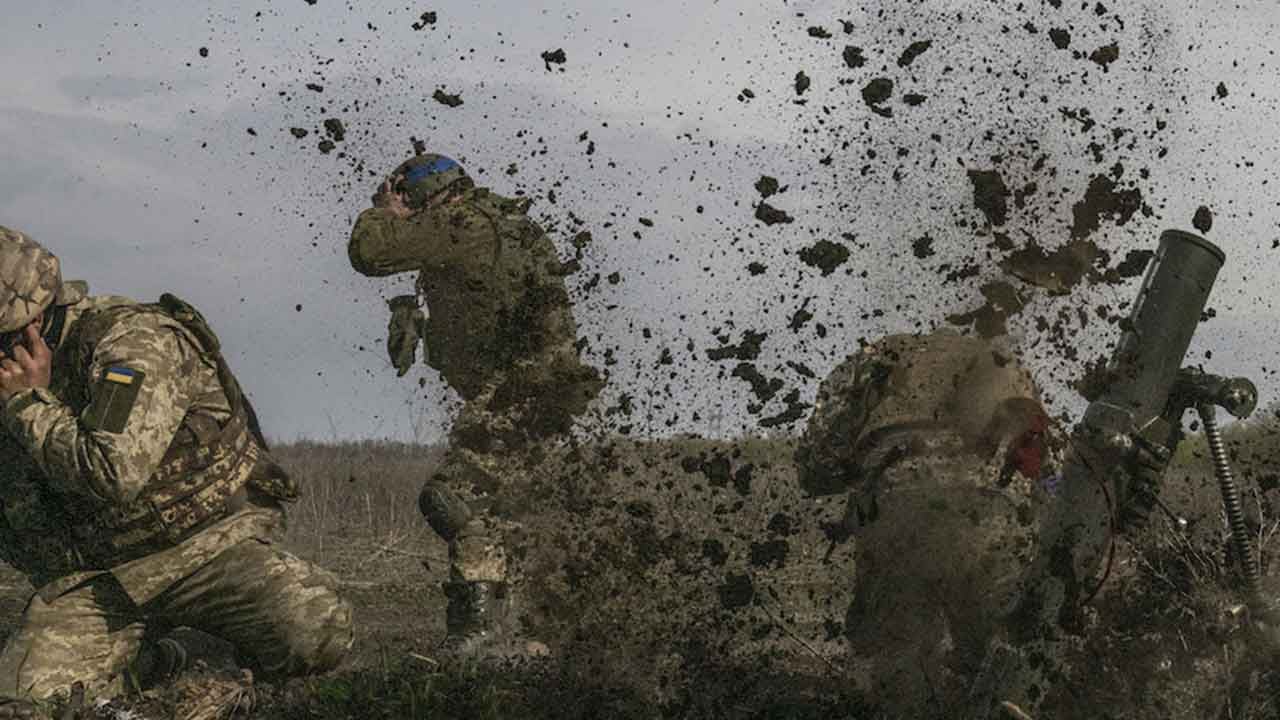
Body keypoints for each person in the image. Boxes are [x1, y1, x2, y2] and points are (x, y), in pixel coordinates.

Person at [0, 226, 352, 716]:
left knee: (315, 628)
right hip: (103, 579)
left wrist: (27, 405)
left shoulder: (133, 344)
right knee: (27, 703)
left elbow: (113, 472)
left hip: (205, 550)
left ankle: (209, 653)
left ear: (30, 324)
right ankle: (160, 661)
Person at [347, 153, 602, 655]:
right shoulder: (497, 222)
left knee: (455, 497)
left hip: (524, 391)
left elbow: (370, 253)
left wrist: (382, 211)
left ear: (425, 193)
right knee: (508, 512)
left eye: (407, 197)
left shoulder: (463, 223)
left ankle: (480, 631)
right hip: (539, 391)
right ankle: (534, 631)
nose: (406, 208)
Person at [795, 330, 1062, 718]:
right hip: (995, 516)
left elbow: (815, 467)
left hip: (899, 510)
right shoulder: (1006, 366)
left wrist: (856, 470)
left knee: (898, 662)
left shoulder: (877, 359)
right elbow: (1048, 476)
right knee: (1006, 653)